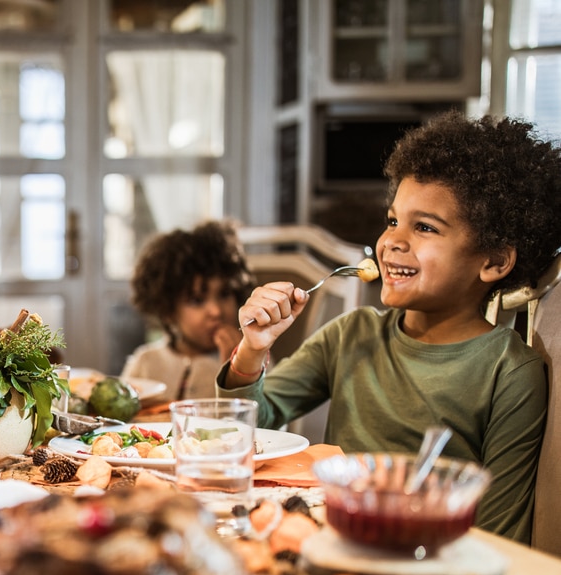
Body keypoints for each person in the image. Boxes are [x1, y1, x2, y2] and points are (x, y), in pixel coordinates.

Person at [221, 112, 561, 544]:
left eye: (424, 227)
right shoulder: (352, 334)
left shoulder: (510, 373)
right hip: (330, 540)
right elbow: (251, 424)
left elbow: (498, 535)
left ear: (493, 262)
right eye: (392, 220)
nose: (392, 241)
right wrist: (252, 348)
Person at [121, 221, 252, 402]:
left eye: (224, 294)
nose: (215, 311)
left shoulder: (254, 358)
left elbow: (265, 423)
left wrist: (239, 370)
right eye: (197, 300)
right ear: (167, 310)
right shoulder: (146, 362)